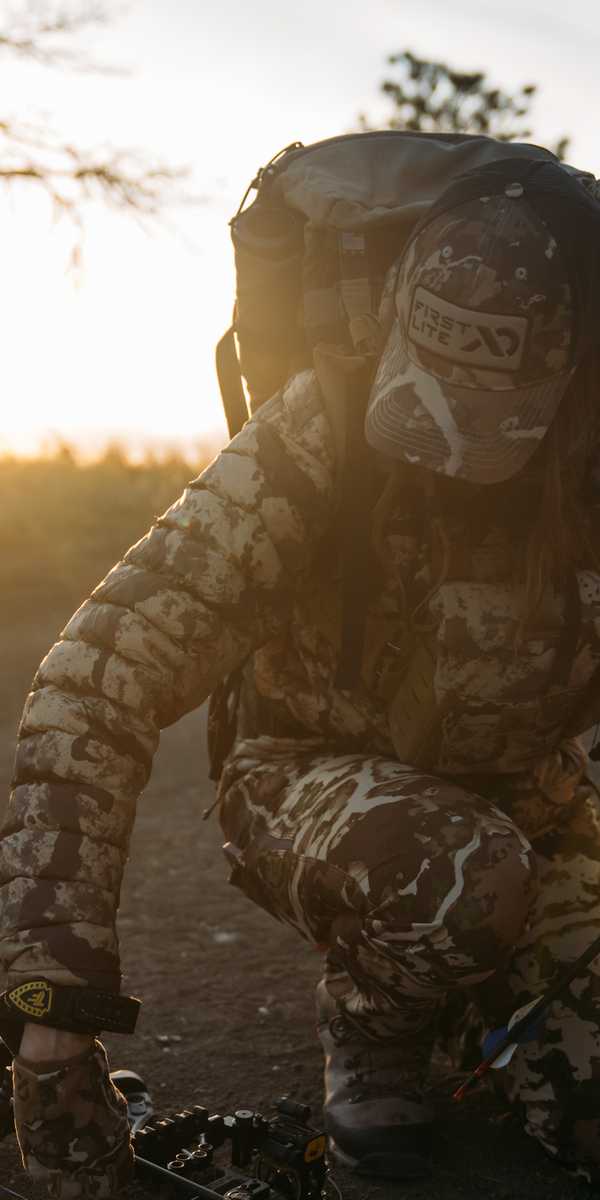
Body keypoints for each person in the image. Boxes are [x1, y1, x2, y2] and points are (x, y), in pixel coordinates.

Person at [3, 155, 600, 1197]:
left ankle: (481, 1024)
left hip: (537, 806)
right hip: (309, 777)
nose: (442, 462)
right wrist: (53, 1009)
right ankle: (374, 1039)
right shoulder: (321, 424)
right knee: (464, 878)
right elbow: (98, 681)